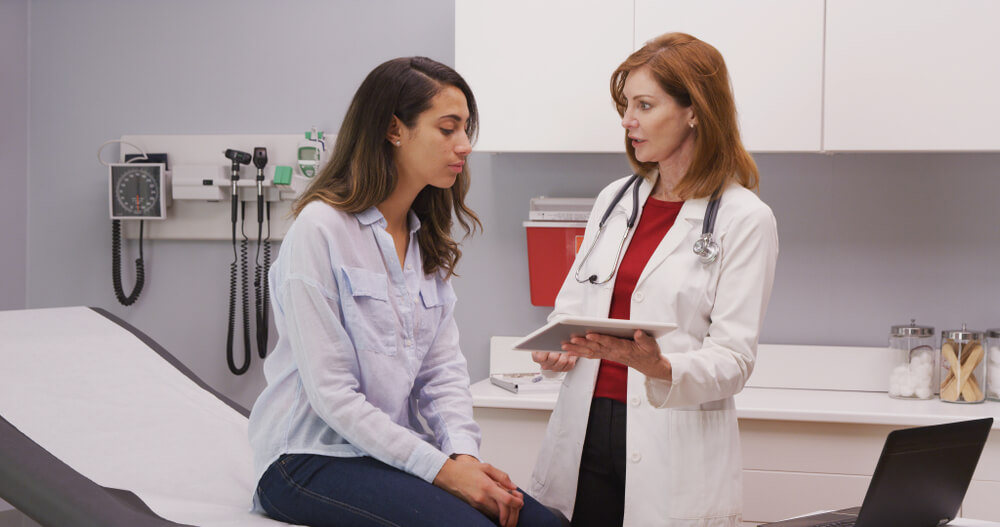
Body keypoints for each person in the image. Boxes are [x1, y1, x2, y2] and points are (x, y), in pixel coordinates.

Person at [248, 57, 560, 527]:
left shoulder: (422, 240)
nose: (465, 145)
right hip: (308, 457)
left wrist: (462, 456)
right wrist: (443, 473)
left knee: (544, 523)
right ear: (395, 129)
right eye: (448, 129)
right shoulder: (321, 230)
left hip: (386, 454)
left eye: (466, 129)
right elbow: (333, 395)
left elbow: (442, 374)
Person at [529, 33, 779, 527]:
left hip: (671, 440)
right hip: (586, 432)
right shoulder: (613, 200)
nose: (628, 121)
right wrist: (559, 346)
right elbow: (571, 306)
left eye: (644, 104)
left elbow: (734, 360)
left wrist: (662, 367)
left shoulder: (744, 218)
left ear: (695, 111)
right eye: (626, 105)